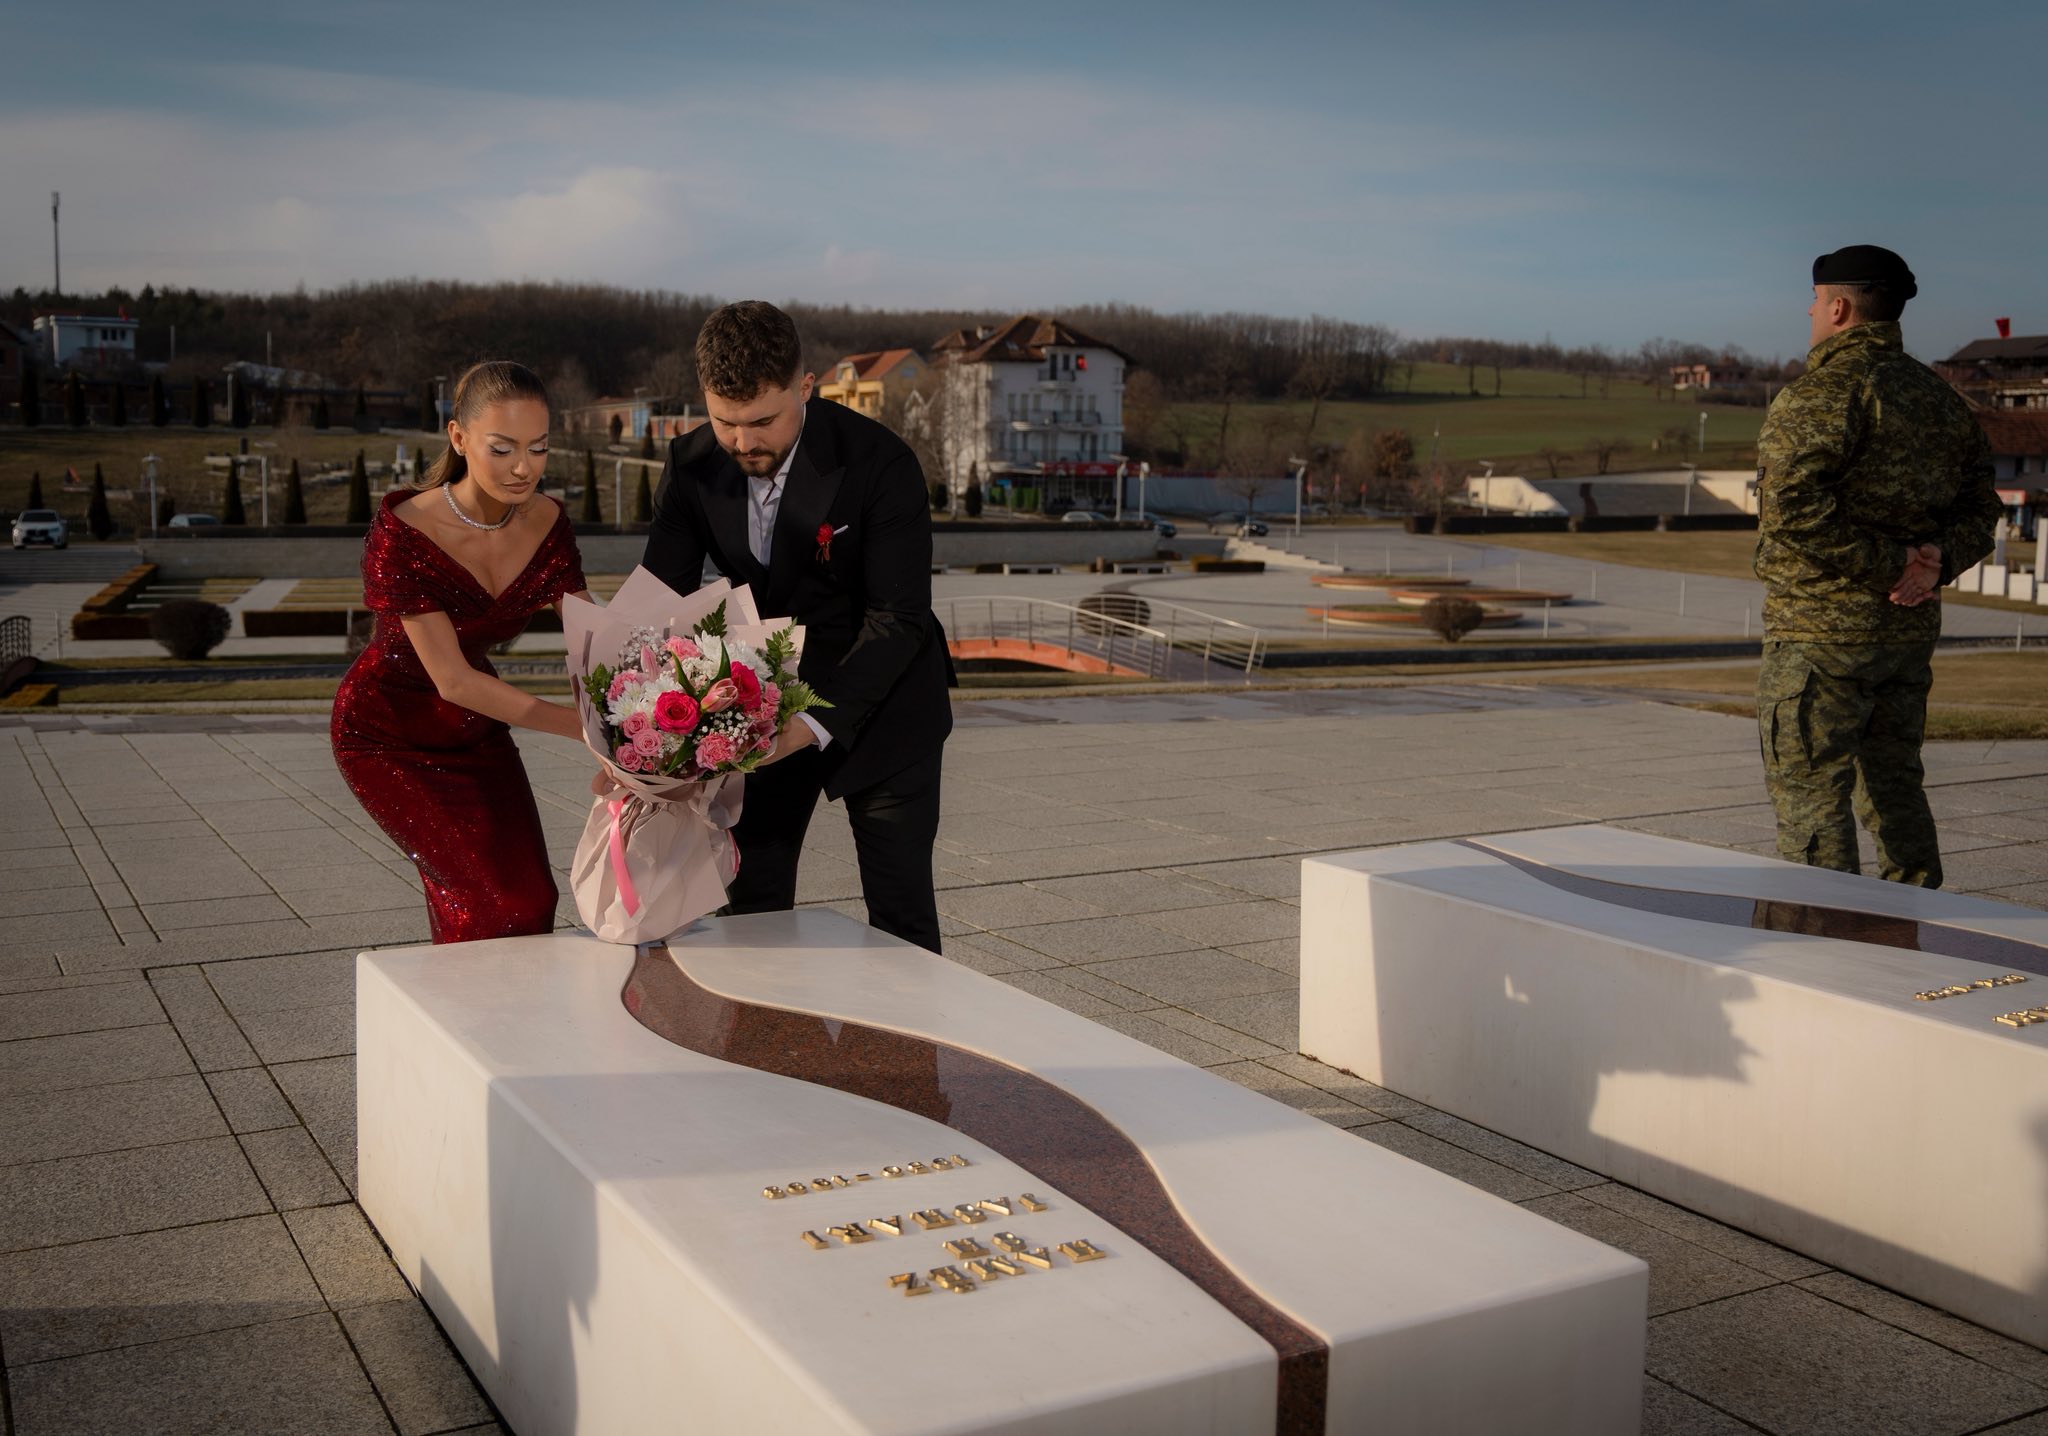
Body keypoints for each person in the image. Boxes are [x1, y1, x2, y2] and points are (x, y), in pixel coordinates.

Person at [644, 301, 952, 951]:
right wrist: (643, 730)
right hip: (762, 697)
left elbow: (898, 618)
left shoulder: (880, 462)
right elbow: (658, 607)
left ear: (805, 386)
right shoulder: (690, 464)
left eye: (763, 421)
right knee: (751, 908)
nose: (743, 443)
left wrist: (807, 727)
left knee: (901, 919)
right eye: (725, 422)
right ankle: (756, 1019)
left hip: (887, 698)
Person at [1753, 245, 1999, 888]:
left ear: (1839, 308)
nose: (1809, 312)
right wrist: (1934, 564)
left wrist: (1893, 567)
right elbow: (1983, 508)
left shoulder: (1824, 392)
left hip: (1821, 634)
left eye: (1815, 301)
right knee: (1895, 783)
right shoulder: (1942, 400)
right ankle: (1920, 917)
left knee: (1812, 793)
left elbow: (1791, 509)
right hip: (1906, 635)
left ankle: (1825, 930)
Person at [332, 361, 590, 942]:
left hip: (474, 730)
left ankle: (490, 1000)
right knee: (491, 901)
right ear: (458, 438)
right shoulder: (405, 531)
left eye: (539, 448)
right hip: (387, 734)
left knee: (534, 898)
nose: (524, 468)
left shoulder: (547, 522)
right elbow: (453, 680)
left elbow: (591, 636)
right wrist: (586, 731)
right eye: (502, 449)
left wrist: (656, 706)